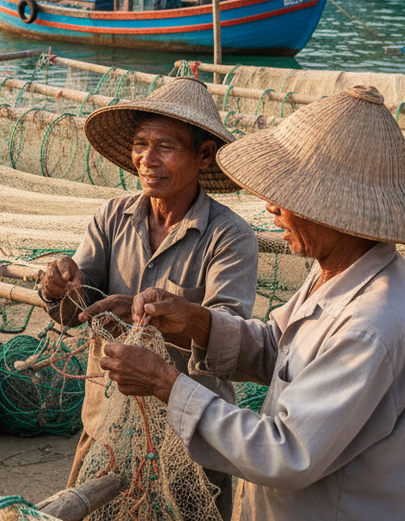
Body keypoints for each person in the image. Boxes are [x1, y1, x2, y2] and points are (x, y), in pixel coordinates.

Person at [99, 85, 405, 520]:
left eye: (287, 197)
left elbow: (285, 451)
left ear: (335, 209)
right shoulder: (336, 272)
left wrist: (166, 384)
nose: (271, 208)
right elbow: (276, 347)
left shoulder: (369, 326)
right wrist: (195, 322)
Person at [38, 76, 258, 519]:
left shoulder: (230, 236)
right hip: (104, 423)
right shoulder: (110, 218)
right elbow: (72, 310)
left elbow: (228, 339)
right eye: (140, 144)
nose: (147, 160)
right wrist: (56, 286)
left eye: (166, 147)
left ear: (203, 155)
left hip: (192, 431)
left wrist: (160, 316)